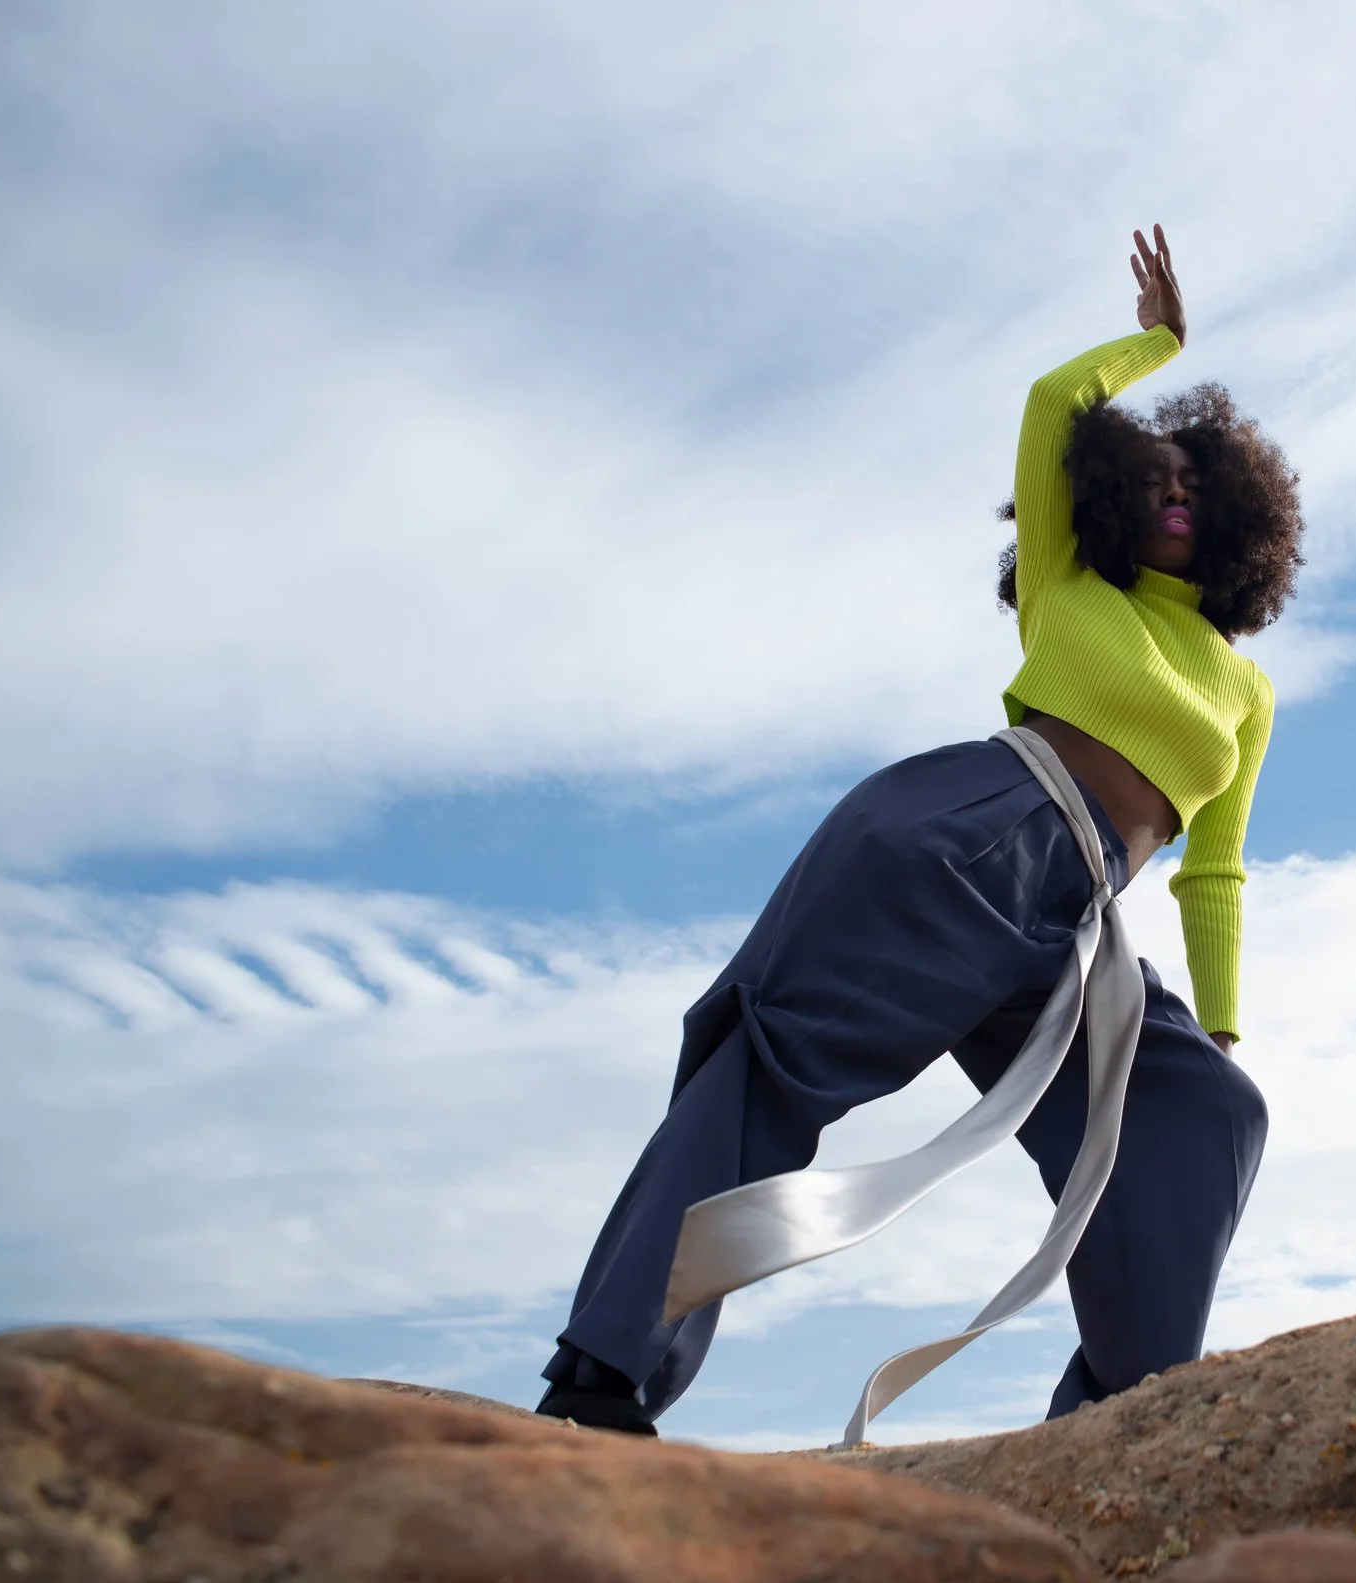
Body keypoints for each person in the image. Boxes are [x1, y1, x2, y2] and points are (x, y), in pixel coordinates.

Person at [537, 226, 1304, 1437]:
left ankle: (1118, 1425)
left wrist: (1218, 1020)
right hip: (966, 834)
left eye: (1197, 483)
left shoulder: (1244, 688)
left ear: (1238, 522)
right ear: (1111, 494)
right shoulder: (1071, 586)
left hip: (1078, 919)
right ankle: (604, 1376)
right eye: (1152, 472)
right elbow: (1055, 400)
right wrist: (1154, 345)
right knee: (776, 1061)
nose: (1171, 489)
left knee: (1206, 1112)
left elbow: (1214, 867)